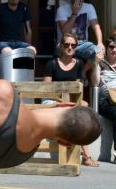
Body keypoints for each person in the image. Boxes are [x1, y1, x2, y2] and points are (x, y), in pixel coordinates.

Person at [43, 32, 101, 167]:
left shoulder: (79, 64)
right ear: (61, 47)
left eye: (73, 45)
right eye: (67, 44)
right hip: (52, 100)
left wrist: (70, 102)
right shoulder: (51, 64)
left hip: (69, 102)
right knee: (76, 111)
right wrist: (62, 101)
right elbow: (46, 89)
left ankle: (83, 154)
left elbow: (77, 89)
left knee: (84, 106)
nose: (70, 47)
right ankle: (86, 156)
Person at [55, 0, 103, 66]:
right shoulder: (62, 9)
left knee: (99, 52)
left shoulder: (89, 7)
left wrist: (100, 42)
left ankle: (84, 72)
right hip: (65, 44)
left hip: (83, 44)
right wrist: (74, 13)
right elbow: (65, 32)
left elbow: (96, 27)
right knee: (62, 49)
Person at [98, 35, 116, 162]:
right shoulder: (100, 64)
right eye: (111, 47)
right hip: (105, 100)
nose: (114, 50)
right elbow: (94, 82)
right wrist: (95, 64)